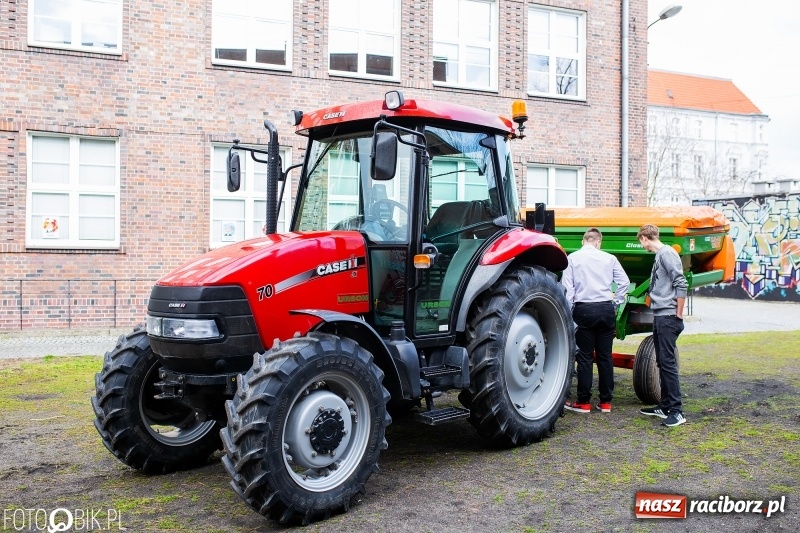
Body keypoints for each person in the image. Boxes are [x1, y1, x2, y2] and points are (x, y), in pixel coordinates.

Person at [561, 227, 630, 414]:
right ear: (599, 242)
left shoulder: (572, 258)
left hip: (583, 309)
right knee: (605, 356)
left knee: (584, 357)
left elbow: (568, 290)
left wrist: (569, 312)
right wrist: (616, 302)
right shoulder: (610, 258)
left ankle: (583, 402)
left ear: (583, 241)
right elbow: (624, 282)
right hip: (606, 309)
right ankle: (606, 402)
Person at [636, 223, 689, 427]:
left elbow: (681, 283)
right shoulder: (661, 255)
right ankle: (665, 405)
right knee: (662, 361)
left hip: (668, 316)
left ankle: (677, 412)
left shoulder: (667, 253)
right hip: (661, 315)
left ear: (645, 238)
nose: (643, 247)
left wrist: (678, 315)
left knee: (668, 364)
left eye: (641, 242)